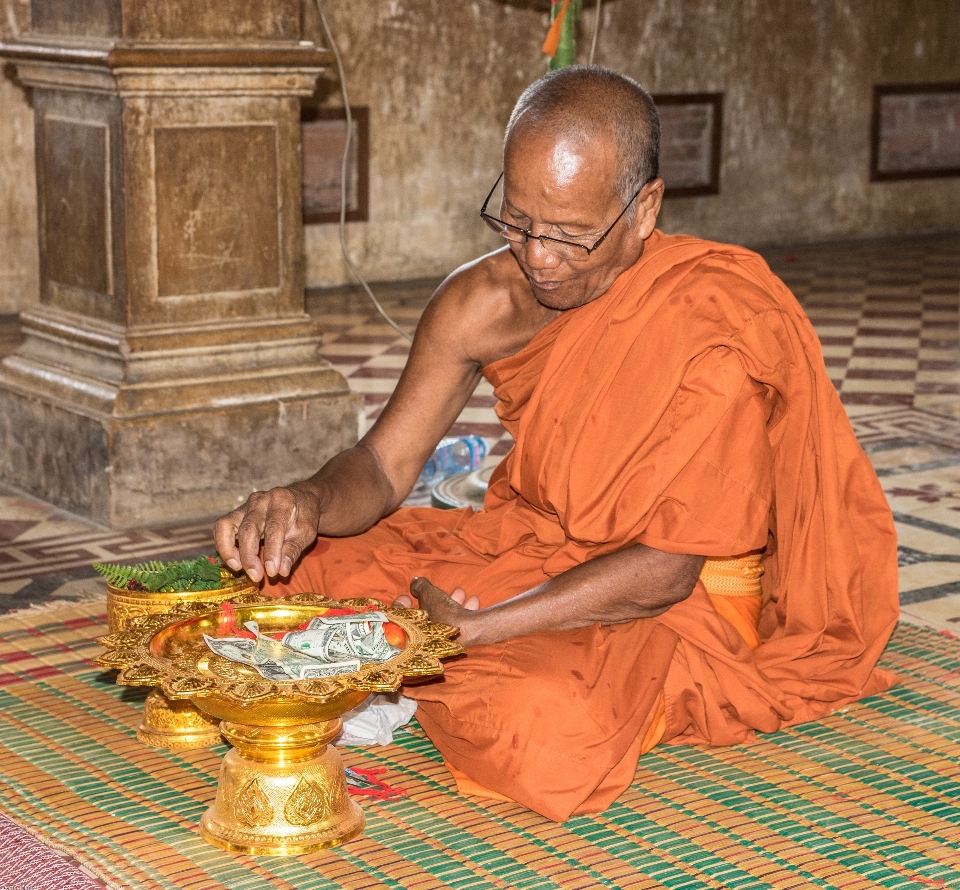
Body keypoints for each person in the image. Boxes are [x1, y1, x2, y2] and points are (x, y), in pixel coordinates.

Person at [215, 66, 899, 822]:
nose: (538, 256)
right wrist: (306, 500)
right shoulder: (479, 302)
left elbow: (666, 571)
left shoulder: (712, 323)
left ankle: (417, 675)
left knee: (545, 732)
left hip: (670, 602)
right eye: (516, 222)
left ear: (645, 209)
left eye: (571, 236)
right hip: (529, 548)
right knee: (286, 572)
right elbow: (382, 466)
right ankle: (411, 672)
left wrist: (476, 630)